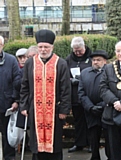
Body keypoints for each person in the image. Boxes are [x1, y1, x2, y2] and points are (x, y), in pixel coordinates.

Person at [19, 29, 71, 160]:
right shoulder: (30, 63)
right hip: (35, 110)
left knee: (55, 143)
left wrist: (64, 109)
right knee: (36, 143)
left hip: (54, 110)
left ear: (52, 47)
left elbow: (66, 89)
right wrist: (24, 106)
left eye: (46, 47)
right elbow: (24, 86)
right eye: (40, 47)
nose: (43, 49)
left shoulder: (61, 63)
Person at [78, 50, 110, 160]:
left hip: (106, 110)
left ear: (105, 61)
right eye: (94, 60)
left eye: (99, 60)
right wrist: (90, 107)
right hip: (90, 111)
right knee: (93, 137)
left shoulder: (110, 72)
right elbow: (81, 92)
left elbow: (113, 91)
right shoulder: (85, 73)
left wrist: (103, 105)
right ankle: (95, 156)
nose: (95, 62)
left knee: (109, 137)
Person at [66, 37, 92, 153]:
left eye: (79, 50)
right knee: (78, 121)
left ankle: (92, 143)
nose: (77, 53)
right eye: (75, 50)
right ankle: (79, 143)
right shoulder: (69, 59)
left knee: (90, 120)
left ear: (84, 47)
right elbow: (65, 74)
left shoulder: (91, 58)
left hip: (89, 95)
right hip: (75, 95)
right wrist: (71, 80)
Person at [0, 35, 21, 160]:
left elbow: (17, 81)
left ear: (2, 46)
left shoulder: (11, 60)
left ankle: (9, 157)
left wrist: (15, 100)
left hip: (7, 104)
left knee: (7, 134)